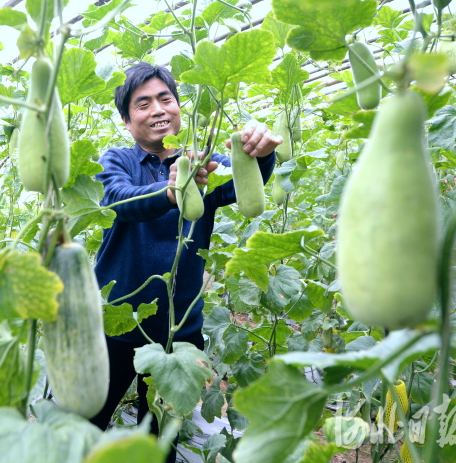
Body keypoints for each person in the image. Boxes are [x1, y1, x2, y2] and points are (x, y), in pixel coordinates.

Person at [89, 62, 282, 461]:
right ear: (127, 120)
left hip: (179, 335)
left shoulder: (205, 164)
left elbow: (242, 185)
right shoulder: (118, 160)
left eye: (166, 99)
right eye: (143, 104)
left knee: (161, 442)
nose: (158, 109)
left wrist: (257, 155)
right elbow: (116, 200)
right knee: (83, 424)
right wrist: (172, 189)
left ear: (179, 108)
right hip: (113, 325)